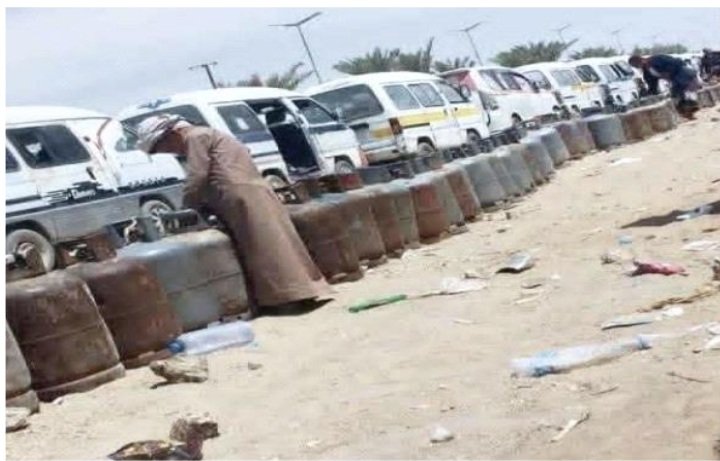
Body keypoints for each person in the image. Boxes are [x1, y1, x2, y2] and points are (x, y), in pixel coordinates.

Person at [135, 114, 329, 312]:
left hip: (238, 197)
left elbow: (198, 175)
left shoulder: (196, 137)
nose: (167, 151)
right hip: (255, 191)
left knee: (263, 248)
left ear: (174, 133)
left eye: (163, 146)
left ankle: (287, 297)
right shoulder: (212, 134)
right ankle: (303, 291)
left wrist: (186, 206)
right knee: (279, 242)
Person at [628, 54, 701, 119]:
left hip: (682, 73)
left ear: (641, 60)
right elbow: (651, 82)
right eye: (636, 67)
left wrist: (668, 72)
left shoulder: (657, 58)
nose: (637, 67)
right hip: (674, 79)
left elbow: (677, 62)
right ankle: (687, 113)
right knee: (676, 96)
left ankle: (690, 109)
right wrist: (651, 93)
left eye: (636, 65)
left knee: (687, 91)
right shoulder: (647, 71)